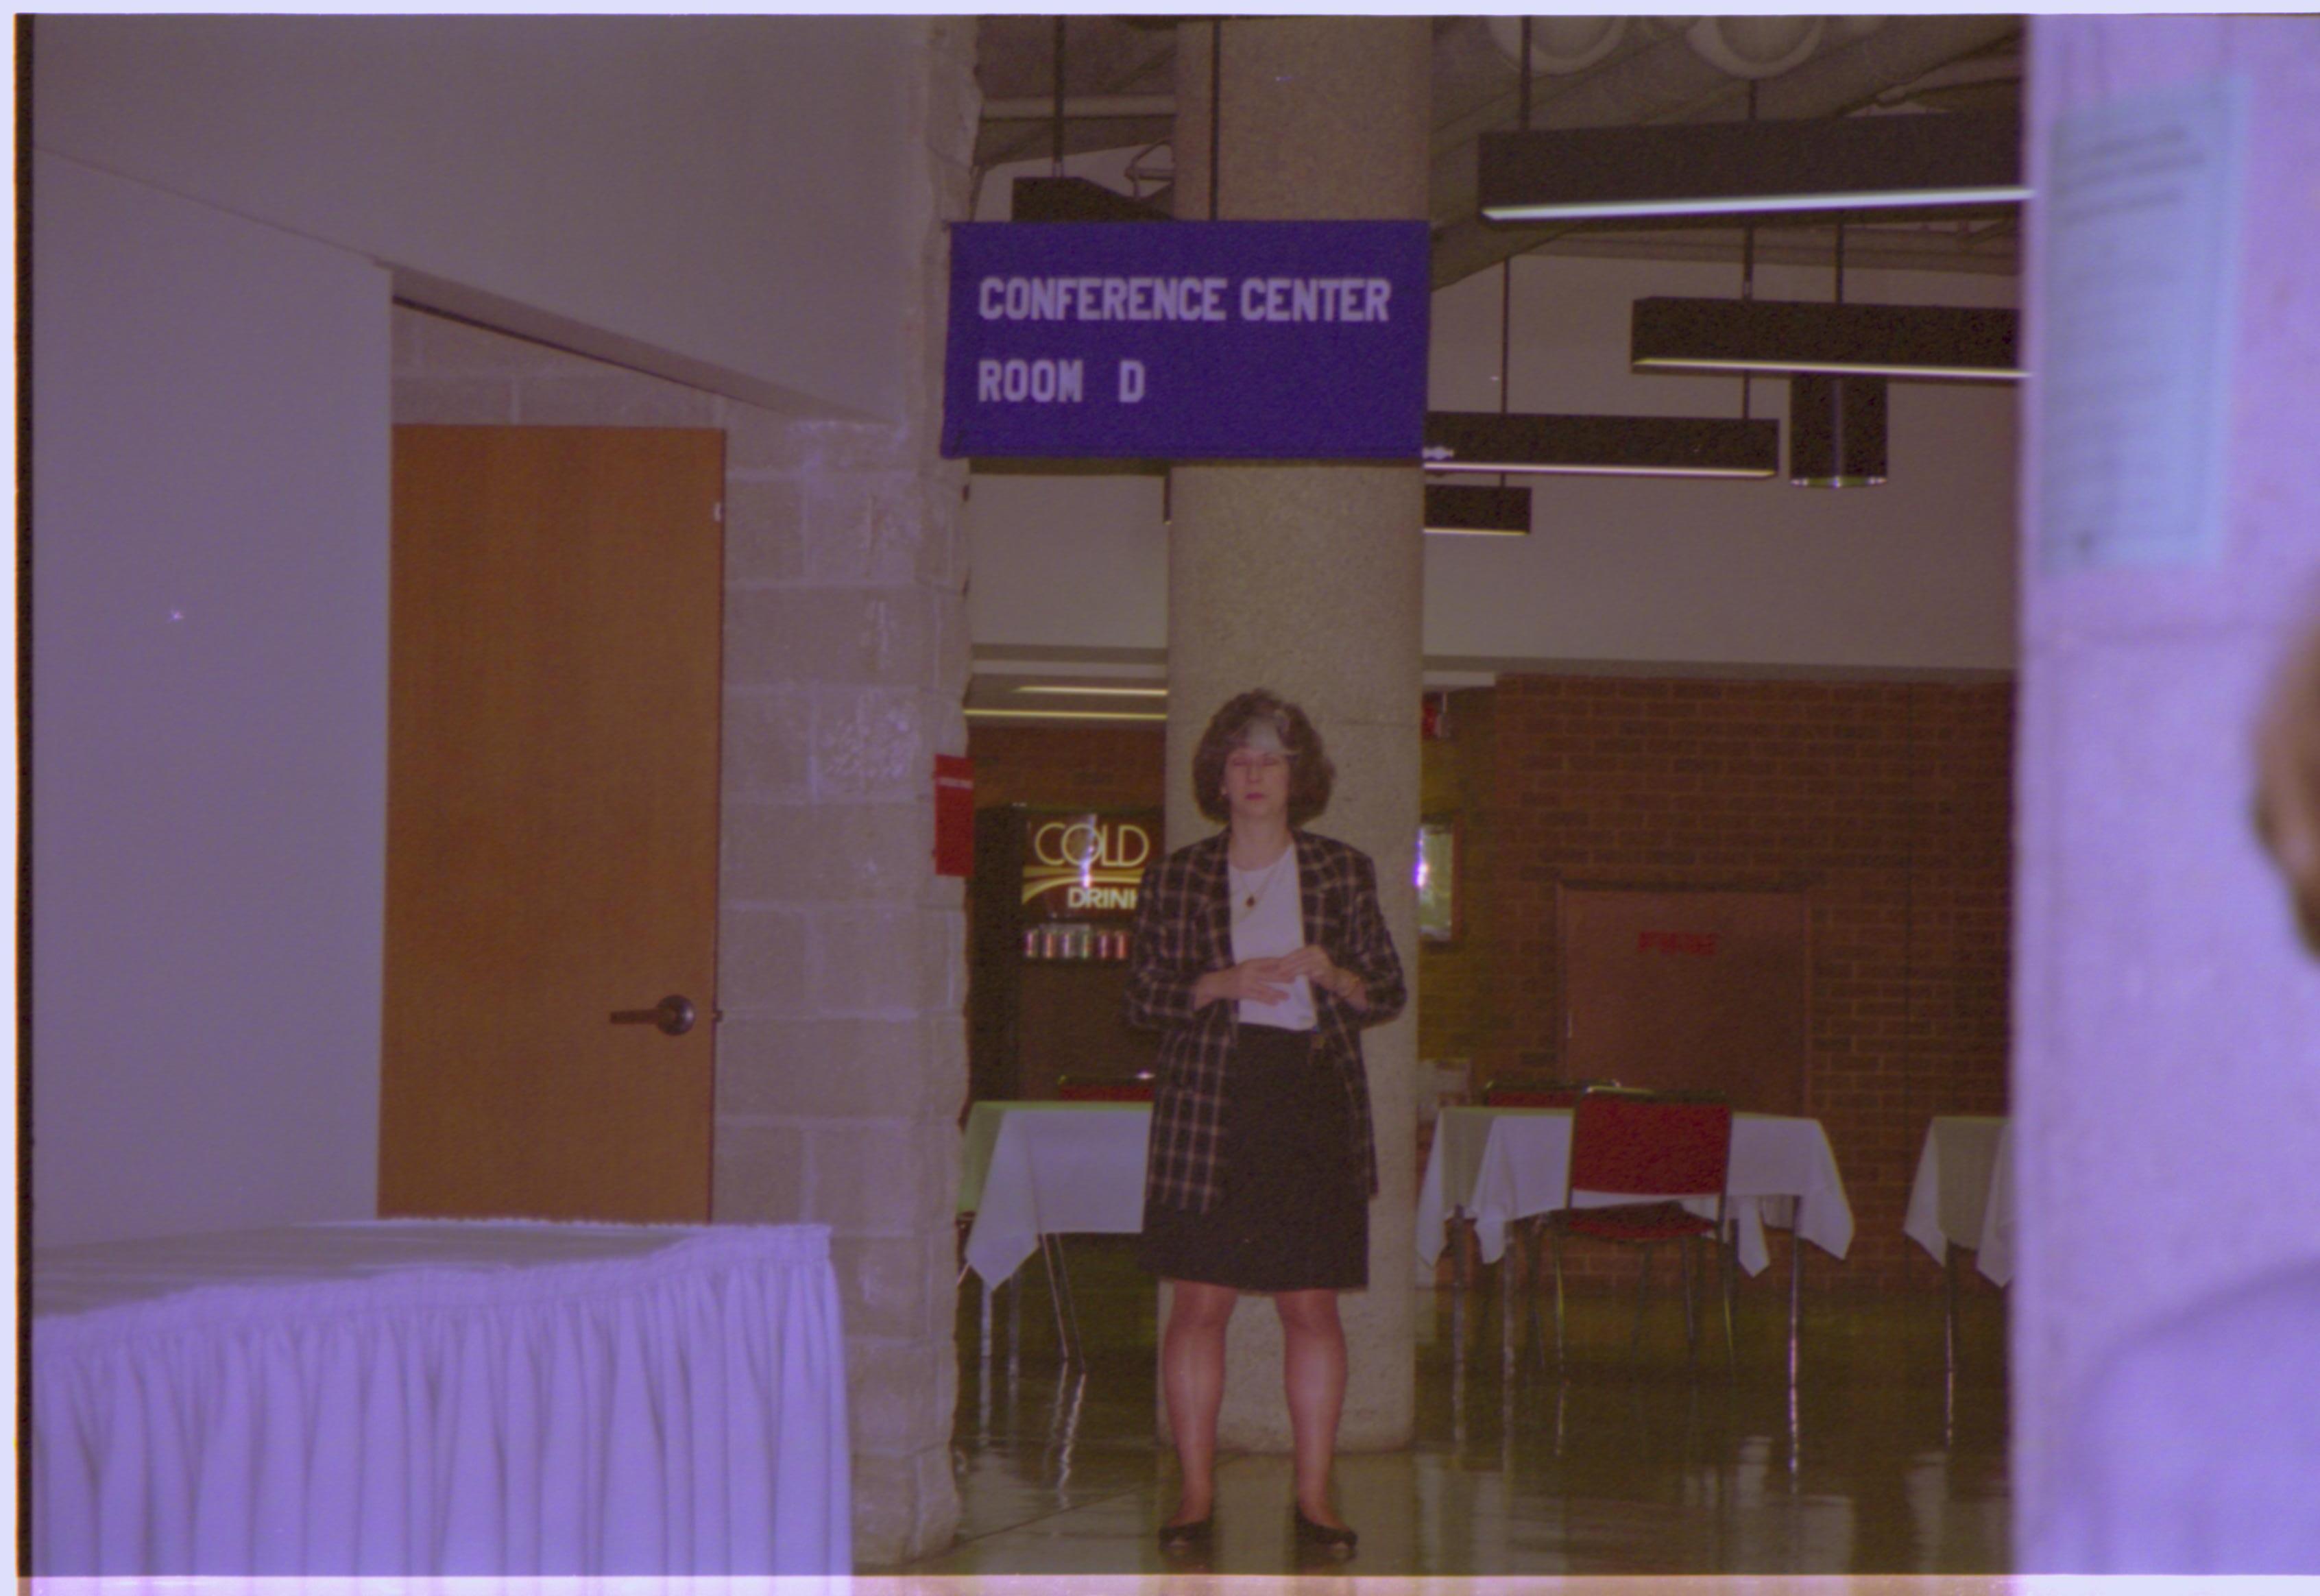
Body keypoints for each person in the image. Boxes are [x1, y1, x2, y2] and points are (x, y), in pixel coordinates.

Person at [1123, 689, 1406, 1558]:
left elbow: (1386, 990)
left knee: (1310, 1308)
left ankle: (1315, 1497)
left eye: (1272, 759)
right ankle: (1195, 1494)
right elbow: (1139, 1000)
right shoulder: (1177, 876)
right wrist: (1217, 983)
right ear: (1218, 774)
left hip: (1308, 1103)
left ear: (1297, 777)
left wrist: (1339, 977)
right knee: (1198, 1305)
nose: (1254, 773)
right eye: (1240, 759)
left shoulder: (1341, 870)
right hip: (1210, 1101)